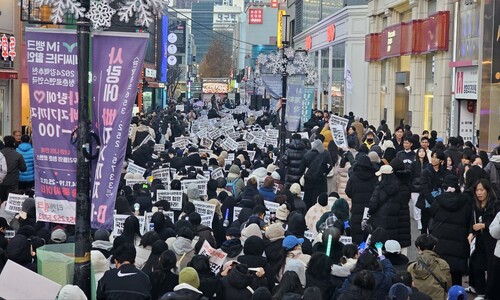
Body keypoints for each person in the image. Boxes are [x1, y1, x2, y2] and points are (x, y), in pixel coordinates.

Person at [429, 174, 471, 286]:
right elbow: (468, 220)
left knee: (439, 277)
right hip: (459, 242)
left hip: (440, 241)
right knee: (456, 278)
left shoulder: (438, 200)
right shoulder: (465, 202)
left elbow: (432, 215)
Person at [467, 179, 499, 300]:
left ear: (487, 190)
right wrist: (470, 233)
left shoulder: (495, 204)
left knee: (492, 268)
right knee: (476, 265)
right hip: (479, 239)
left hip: (491, 240)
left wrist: (484, 225)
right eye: (477, 190)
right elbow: (472, 221)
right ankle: (481, 291)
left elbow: (496, 223)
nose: (479, 193)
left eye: (482, 190)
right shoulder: (475, 205)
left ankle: (489, 293)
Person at [407, 234, 452, 300]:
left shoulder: (411, 267)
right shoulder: (442, 264)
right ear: (434, 247)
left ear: (418, 248)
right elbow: (448, 286)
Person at [417, 150, 451, 234]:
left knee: (436, 228)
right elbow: (424, 188)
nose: (433, 159)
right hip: (427, 203)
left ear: (441, 160)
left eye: (436, 157)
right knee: (424, 227)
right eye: (432, 157)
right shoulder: (425, 172)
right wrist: (433, 201)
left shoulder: (445, 173)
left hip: (440, 204)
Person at [346, 155, 378, 244]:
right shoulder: (374, 177)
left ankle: (356, 254)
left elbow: (348, 192)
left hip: (356, 210)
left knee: (356, 235)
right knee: (368, 235)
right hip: (370, 210)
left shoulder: (353, 177)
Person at [301, 139, 333, 210]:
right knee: (319, 201)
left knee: (308, 200)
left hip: (309, 181)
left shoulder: (307, 154)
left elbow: (301, 168)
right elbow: (330, 166)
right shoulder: (326, 153)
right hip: (321, 181)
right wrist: (325, 172)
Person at [0, 136, 27, 202]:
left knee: (2, 201)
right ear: (14, 143)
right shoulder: (18, 155)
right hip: (13, 182)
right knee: (11, 201)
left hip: (1, 181)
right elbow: (23, 169)